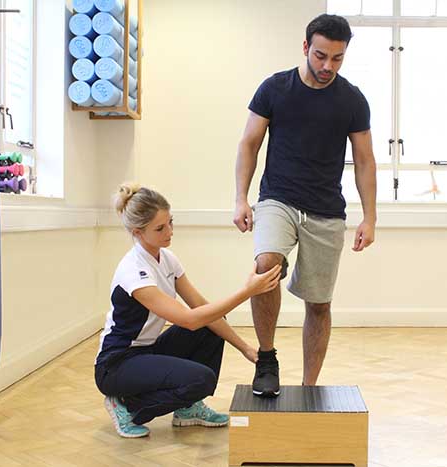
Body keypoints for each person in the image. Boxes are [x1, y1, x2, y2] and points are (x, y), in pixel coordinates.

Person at [233, 14, 377, 398]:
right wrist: (240, 198)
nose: (327, 65)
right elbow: (250, 143)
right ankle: (266, 359)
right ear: (305, 48)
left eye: (337, 58)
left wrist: (370, 217)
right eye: (320, 55)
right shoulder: (275, 88)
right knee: (266, 266)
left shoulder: (352, 99)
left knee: (319, 304)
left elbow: (364, 160)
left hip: (326, 210)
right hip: (278, 197)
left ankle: (309, 387)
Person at [95, 183, 281, 437]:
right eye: (160, 228)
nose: (169, 231)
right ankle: (127, 405)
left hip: (147, 351)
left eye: (170, 222)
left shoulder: (168, 259)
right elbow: (189, 320)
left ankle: (187, 409)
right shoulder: (133, 271)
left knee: (213, 321)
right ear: (138, 232)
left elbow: (202, 308)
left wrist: (246, 348)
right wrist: (248, 291)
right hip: (116, 365)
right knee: (200, 379)